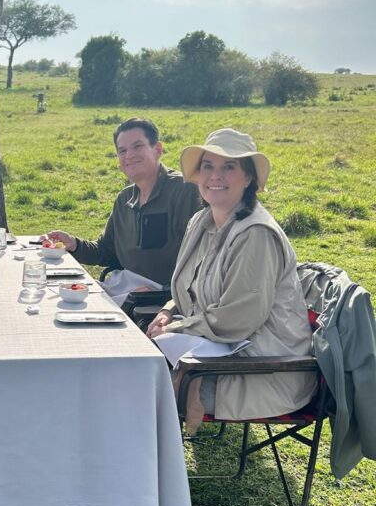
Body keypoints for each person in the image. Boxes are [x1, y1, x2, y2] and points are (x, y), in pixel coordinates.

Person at [147, 128, 317, 424]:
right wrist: (166, 311)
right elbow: (189, 288)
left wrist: (176, 329)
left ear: (248, 178)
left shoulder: (256, 235)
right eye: (208, 166)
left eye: (229, 167)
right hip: (214, 357)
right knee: (132, 366)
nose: (215, 176)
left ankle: (147, 467)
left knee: (141, 387)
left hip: (260, 372)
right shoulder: (201, 221)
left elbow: (238, 319)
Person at [47, 117, 202, 292]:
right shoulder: (124, 199)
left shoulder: (185, 191)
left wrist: (166, 294)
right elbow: (106, 252)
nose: (129, 156)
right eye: (122, 151)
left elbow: (201, 260)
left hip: (162, 297)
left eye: (138, 146)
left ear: (157, 149)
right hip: (123, 287)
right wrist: (74, 244)